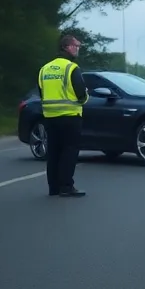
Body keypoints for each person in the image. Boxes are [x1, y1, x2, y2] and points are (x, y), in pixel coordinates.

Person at [38, 33, 88, 197]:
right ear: (67, 47)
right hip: (70, 116)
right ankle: (66, 186)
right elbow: (81, 93)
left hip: (50, 118)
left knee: (53, 152)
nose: (78, 49)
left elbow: (41, 92)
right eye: (76, 46)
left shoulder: (44, 69)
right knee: (69, 151)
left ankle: (53, 188)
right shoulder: (71, 68)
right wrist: (85, 97)